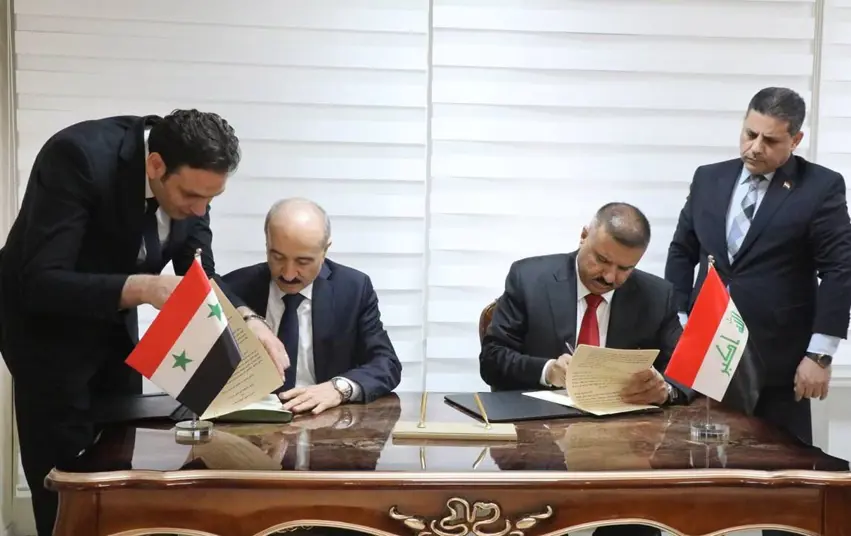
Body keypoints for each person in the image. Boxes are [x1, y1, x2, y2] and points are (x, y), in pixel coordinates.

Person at [0, 110, 288, 536]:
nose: (200, 210)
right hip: (47, 336)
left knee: (119, 471)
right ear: (155, 165)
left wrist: (250, 319)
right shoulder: (76, 157)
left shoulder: (194, 185)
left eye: (211, 199)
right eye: (192, 196)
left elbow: (199, 272)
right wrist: (145, 288)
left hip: (113, 329)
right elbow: (42, 280)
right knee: (66, 489)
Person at [480, 202, 695, 536]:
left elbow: (687, 369)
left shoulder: (656, 296)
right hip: (539, 441)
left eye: (625, 268)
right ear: (584, 236)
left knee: (636, 520)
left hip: (622, 446)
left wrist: (664, 389)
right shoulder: (529, 278)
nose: (610, 277)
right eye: (602, 260)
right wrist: (547, 370)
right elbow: (492, 360)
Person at [665, 87, 851, 456]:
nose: (755, 148)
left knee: (781, 470)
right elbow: (682, 252)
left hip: (777, 364)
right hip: (706, 355)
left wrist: (820, 355)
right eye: (750, 134)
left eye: (770, 140)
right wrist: (679, 320)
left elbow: (839, 270)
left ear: (795, 140)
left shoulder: (821, 187)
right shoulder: (708, 178)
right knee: (700, 466)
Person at [223, 197, 402, 415]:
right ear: (267, 244)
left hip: (325, 419)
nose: (288, 274)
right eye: (277, 257)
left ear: (325, 250)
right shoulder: (233, 289)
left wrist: (338, 388)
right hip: (250, 421)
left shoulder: (353, 289)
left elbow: (386, 363)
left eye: (303, 262)